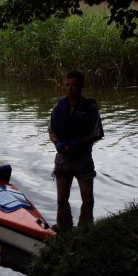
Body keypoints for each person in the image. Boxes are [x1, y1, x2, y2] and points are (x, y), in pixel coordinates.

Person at [48, 70, 104, 231]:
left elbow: (97, 133)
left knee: (87, 200)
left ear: (81, 86)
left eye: (74, 85)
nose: (70, 89)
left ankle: (85, 232)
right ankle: (64, 231)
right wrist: (57, 143)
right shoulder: (59, 106)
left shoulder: (90, 107)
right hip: (63, 158)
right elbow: (51, 131)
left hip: (83, 158)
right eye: (67, 85)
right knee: (61, 200)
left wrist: (78, 143)